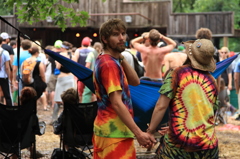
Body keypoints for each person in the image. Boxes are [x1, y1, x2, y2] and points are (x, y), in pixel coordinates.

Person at [93, 18, 155, 159]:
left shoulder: (111, 59)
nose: (121, 38)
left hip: (113, 132)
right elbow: (116, 102)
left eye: (123, 33)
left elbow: (135, 81)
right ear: (105, 39)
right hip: (113, 135)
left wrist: (121, 57)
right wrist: (139, 133)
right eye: (116, 34)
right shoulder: (109, 65)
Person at [146, 39, 219, 159]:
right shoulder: (212, 80)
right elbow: (210, 112)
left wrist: (150, 131)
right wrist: (174, 126)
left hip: (180, 146)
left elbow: (161, 106)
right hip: (209, 147)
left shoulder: (177, 74)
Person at [52, 41, 76, 122]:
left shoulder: (61, 56)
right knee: (70, 98)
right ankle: (69, 118)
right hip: (70, 77)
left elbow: (58, 67)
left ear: (63, 48)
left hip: (62, 77)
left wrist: (56, 63)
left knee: (58, 99)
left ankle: (54, 119)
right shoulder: (74, 56)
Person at [74, 37, 94, 102]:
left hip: (80, 75)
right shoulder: (92, 51)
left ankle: (80, 105)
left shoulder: (78, 50)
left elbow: (74, 62)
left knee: (80, 92)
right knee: (90, 92)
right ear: (89, 44)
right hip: (89, 74)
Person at [0, 36, 13, 106]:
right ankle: (9, 108)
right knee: (7, 94)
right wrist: (9, 76)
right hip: (3, 75)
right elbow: (7, 67)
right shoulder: (5, 52)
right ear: (1, 42)